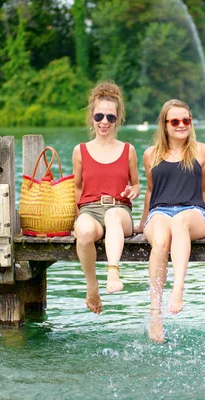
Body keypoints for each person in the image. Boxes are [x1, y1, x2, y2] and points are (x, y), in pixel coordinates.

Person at [135, 99, 205, 342]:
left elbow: (204, 189)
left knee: (179, 223)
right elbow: (149, 191)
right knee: (159, 241)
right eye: (175, 121)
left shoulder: (201, 151)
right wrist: (142, 221)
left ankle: (178, 289)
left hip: (193, 212)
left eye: (186, 120)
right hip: (160, 212)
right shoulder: (151, 154)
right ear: (165, 125)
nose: (181, 125)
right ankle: (155, 313)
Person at [73, 81, 140, 314]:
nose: (104, 122)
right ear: (92, 116)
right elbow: (77, 189)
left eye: (110, 117)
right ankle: (92, 287)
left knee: (112, 215)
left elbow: (136, 184)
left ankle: (113, 270)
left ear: (117, 119)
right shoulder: (80, 150)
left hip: (119, 211)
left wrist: (134, 191)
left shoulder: (127, 149)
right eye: (100, 116)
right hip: (90, 210)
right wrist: (77, 217)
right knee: (82, 231)